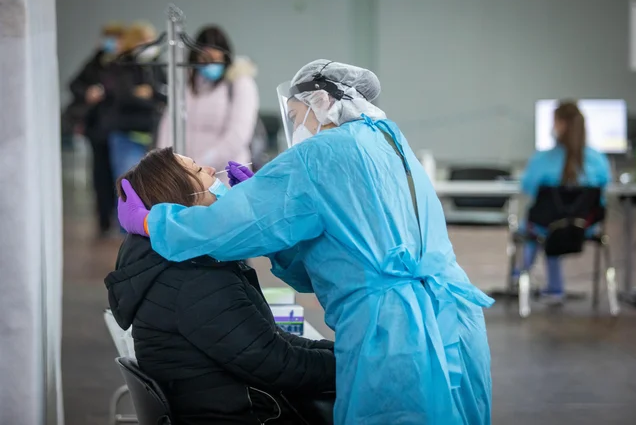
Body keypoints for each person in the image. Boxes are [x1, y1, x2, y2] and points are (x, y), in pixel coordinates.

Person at [117, 60, 494, 425]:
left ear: (322, 103)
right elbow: (323, 259)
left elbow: (219, 227)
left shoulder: (320, 156)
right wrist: (261, 219)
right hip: (453, 317)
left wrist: (153, 221)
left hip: (397, 329)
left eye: (296, 118)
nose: (294, 129)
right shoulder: (387, 141)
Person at [105, 147, 335, 425]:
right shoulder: (193, 278)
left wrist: (342, 352)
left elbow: (270, 342)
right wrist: (357, 364)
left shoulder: (176, 263)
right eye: (199, 170)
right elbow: (275, 363)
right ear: (178, 195)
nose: (213, 171)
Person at [519, 100, 611, 301]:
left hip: (545, 227)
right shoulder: (598, 161)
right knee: (554, 224)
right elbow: (602, 195)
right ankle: (553, 287)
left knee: (536, 227)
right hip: (584, 226)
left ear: (559, 124)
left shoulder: (542, 160)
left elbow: (527, 186)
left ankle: (520, 279)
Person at [157, 25, 259, 182]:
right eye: (204, 59)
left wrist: (199, 165)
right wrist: (168, 164)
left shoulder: (240, 83)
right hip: (188, 177)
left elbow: (238, 135)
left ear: (225, 58)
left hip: (226, 175)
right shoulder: (186, 84)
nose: (210, 64)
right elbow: (169, 125)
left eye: (215, 59)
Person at [67, 22, 126, 237]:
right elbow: (74, 85)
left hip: (119, 127)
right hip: (98, 129)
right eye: (108, 38)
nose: (111, 43)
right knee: (100, 174)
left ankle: (121, 219)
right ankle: (103, 220)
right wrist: (88, 93)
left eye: (115, 38)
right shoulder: (94, 62)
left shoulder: (126, 62)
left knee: (121, 174)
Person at [106, 21, 167, 181]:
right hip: (127, 134)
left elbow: (165, 93)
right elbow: (125, 97)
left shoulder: (155, 64)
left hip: (152, 135)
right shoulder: (121, 65)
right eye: (145, 40)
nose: (150, 44)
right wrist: (155, 103)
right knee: (129, 186)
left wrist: (151, 93)